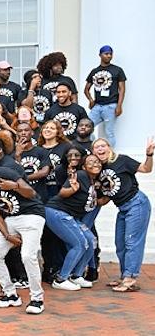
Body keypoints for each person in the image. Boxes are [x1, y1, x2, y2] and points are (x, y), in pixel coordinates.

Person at [0, 146, 47, 315]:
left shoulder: (4, 172)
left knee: (28, 256)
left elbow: (31, 193)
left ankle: (37, 298)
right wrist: (7, 235)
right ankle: (11, 295)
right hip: (10, 219)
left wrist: (14, 186)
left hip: (32, 215)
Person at [92, 137, 154, 292]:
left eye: (103, 146)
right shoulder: (98, 171)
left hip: (136, 203)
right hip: (122, 208)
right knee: (120, 243)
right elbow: (105, 199)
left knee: (132, 241)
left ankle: (130, 278)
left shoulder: (122, 160)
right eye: (96, 147)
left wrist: (149, 155)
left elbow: (146, 169)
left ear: (109, 147)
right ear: (93, 152)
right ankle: (124, 275)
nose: (100, 149)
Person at [44, 156, 97, 291]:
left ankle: (76, 275)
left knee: (91, 241)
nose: (95, 163)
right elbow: (62, 192)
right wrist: (72, 189)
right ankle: (61, 279)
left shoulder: (93, 182)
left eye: (97, 161)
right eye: (90, 161)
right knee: (79, 244)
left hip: (71, 216)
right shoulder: (80, 175)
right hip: (57, 212)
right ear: (84, 167)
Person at [84, 46, 126, 147]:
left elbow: (122, 89)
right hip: (97, 106)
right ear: (100, 55)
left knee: (109, 132)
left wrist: (119, 105)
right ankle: (93, 148)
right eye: (106, 54)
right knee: (86, 127)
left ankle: (110, 156)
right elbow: (86, 89)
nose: (109, 56)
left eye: (110, 54)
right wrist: (91, 100)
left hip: (111, 105)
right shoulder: (95, 71)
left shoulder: (117, 70)